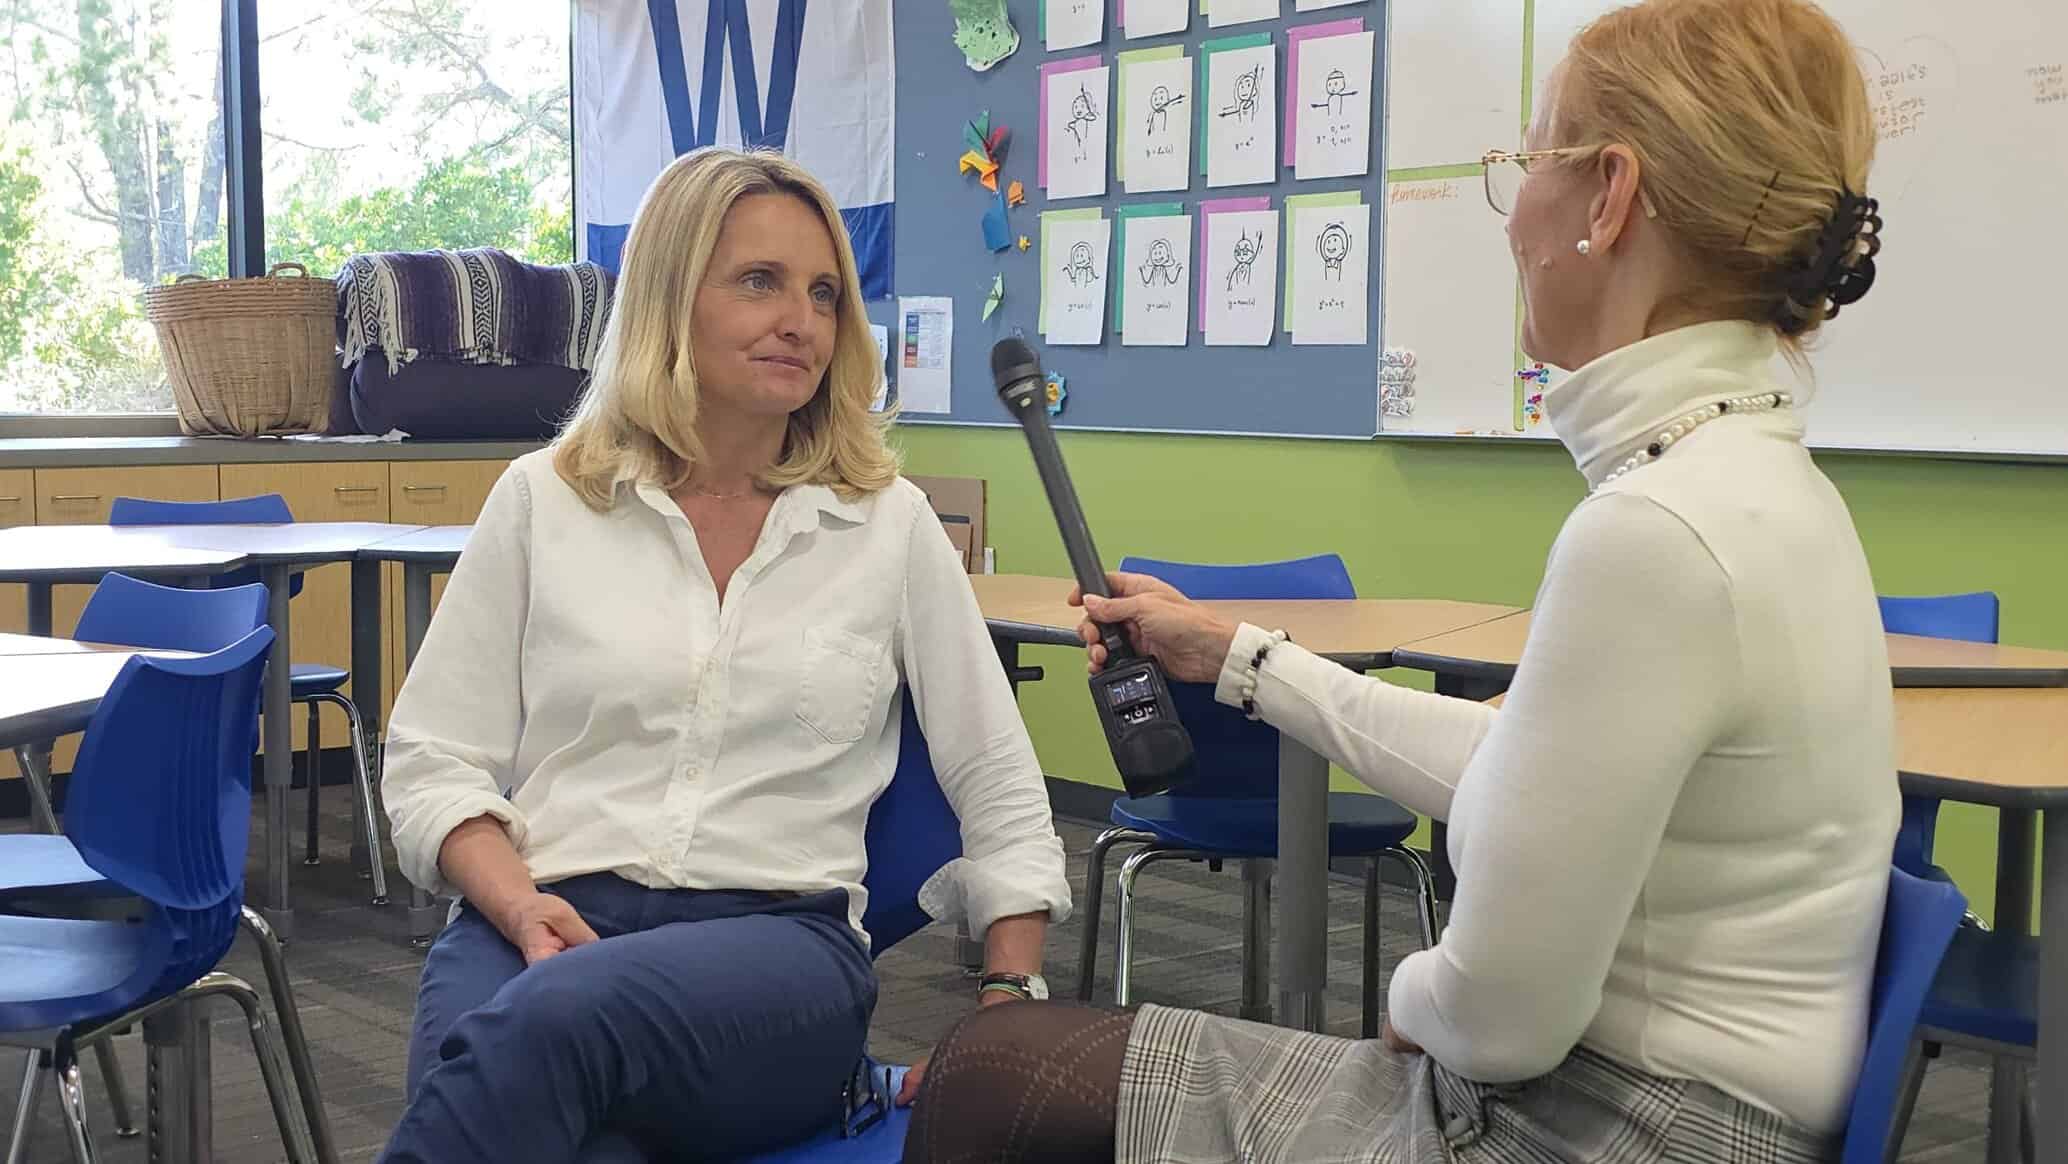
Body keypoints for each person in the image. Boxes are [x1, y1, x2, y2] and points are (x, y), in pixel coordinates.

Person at [902, 0, 1895, 1160]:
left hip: (1606, 1128)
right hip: (1688, 1111)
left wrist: (1413, 998)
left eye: (1528, 163)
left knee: (985, 1079)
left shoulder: (1656, 535)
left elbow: (1502, 1020)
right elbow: (1527, 773)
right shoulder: (1761, 489)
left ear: (1608, 198)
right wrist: (1235, 659)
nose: (1513, 216)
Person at [376, 146, 1070, 1164]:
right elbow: (433, 760)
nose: (801, 321)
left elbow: (996, 778)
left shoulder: (887, 525)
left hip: (776, 952)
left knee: (540, 1031)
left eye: (823, 294)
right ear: (668, 300)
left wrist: (1009, 994)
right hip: (539, 907)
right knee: (559, 1112)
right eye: (759, 282)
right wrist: (519, 908)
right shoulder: (544, 499)